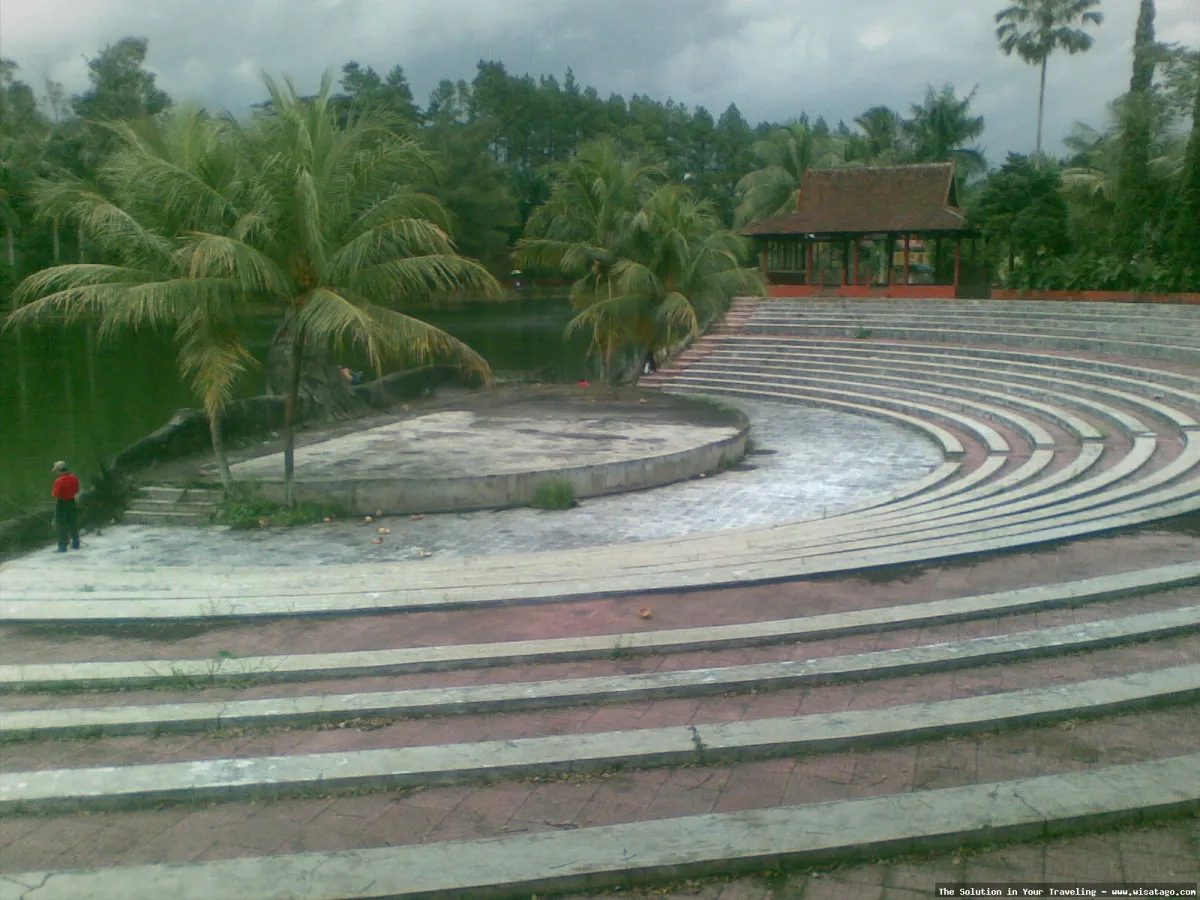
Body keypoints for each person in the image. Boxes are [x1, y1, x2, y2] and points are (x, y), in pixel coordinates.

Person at [51, 461, 81, 552]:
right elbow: (77, 490)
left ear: (59, 470)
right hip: (72, 502)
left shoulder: (59, 481)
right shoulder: (74, 478)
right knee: (73, 522)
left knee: (61, 524)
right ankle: (76, 543)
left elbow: (56, 494)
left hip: (61, 503)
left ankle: (62, 546)